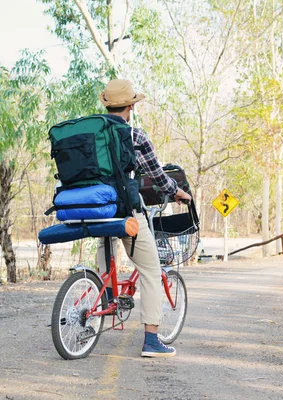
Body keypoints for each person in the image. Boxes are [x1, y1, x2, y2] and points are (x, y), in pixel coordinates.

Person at [96, 79, 191, 358]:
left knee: (105, 253)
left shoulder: (93, 135)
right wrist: (178, 193)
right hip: (126, 210)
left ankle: (106, 300)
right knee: (150, 271)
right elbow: (158, 177)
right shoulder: (135, 136)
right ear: (130, 107)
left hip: (93, 209)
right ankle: (151, 340)